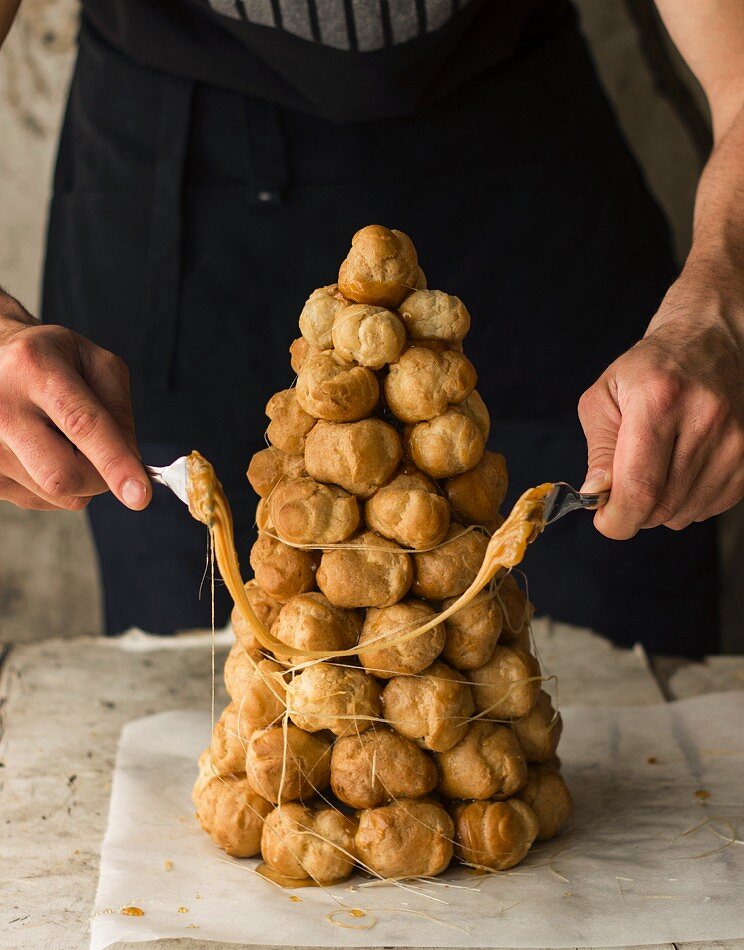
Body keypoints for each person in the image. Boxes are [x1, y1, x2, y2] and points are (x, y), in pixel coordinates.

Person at [0, 0, 742, 654]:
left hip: (523, 175)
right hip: (180, 192)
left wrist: (726, 296)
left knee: (630, 678)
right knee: (215, 691)